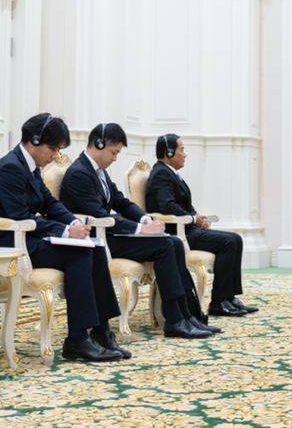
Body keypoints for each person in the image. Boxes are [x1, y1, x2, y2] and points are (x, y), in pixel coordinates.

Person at [0, 113, 129, 362]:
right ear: (34, 141)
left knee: (93, 247)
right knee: (80, 253)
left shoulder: (31, 167)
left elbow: (49, 203)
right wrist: (64, 232)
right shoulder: (10, 168)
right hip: (8, 242)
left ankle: (101, 333)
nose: (55, 155)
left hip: (29, 237)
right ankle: (77, 340)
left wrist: (73, 222)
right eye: (53, 149)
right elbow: (20, 217)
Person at [60, 124, 216, 339]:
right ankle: (174, 320)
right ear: (99, 144)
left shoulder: (99, 171)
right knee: (165, 245)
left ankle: (188, 314)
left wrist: (146, 218)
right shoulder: (79, 173)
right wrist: (142, 229)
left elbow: (121, 203)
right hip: (99, 239)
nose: (115, 158)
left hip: (111, 234)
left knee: (173, 242)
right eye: (114, 152)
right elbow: (101, 216)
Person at [146, 134, 256, 317]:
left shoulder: (168, 172)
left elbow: (182, 204)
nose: (185, 154)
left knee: (236, 239)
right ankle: (218, 302)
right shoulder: (161, 174)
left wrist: (197, 215)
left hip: (188, 227)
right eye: (181, 149)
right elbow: (167, 206)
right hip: (178, 232)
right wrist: (192, 218)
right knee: (230, 242)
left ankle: (229, 297)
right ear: (169, 152)